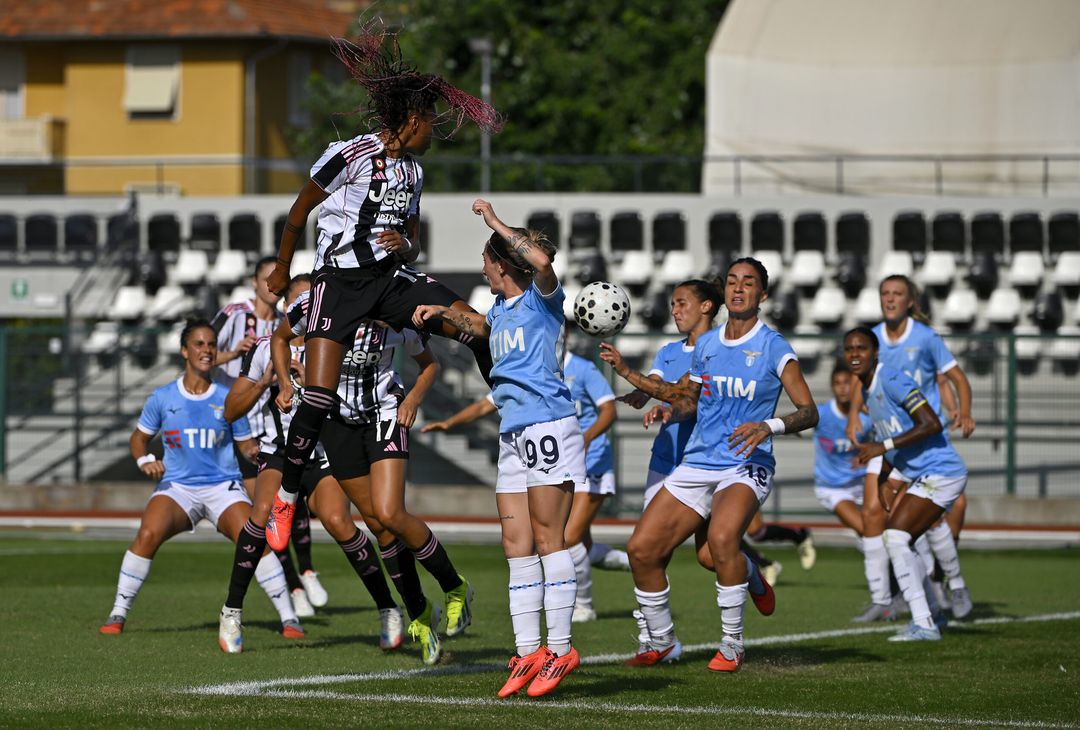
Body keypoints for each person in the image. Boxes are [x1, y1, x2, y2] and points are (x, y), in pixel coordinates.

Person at [264, 24, 502, 547]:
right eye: (430, 125)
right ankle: (286, 496)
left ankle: (508, 403)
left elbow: (411, 240)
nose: (432, 134)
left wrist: (407, 247)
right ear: (412, 120)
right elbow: (300, 207)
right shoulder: (350, 155)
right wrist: (283, 267)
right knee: (320, 396)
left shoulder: (413, 173)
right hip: (339, 285)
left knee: (477, 326)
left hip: (390, 281)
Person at [600, 259, 818, 673]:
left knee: (721, 540)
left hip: (746, 462)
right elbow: (687, 400)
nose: (738, 289)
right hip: (699, 462)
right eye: (733, 281)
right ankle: (663, 641)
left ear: (763, 295)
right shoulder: (707, 346)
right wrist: (638, 382)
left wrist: (768, 426)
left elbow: (809, 412)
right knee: (642, 551)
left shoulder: (774, 348)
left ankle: (732, 646)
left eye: (748, 283)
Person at [413, 199, 583, 698]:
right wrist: (441, 312)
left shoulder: (542, 299)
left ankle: (562, 648)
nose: (483, 269)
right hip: (514, 432)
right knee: (516, 546)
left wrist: (496, 225)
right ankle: (528, 651)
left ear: (503, 261)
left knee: (550, 539)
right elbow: (482, 330)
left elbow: (545, 264)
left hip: (548, 425)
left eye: (487, 261)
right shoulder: (502, 309)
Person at [279, 280, 470, 664]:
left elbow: (429, 364)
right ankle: (418, 618)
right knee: (379, 528)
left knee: (390, 514)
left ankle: (454, 586)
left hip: (384, 413)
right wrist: (285, 381)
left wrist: (413, 398)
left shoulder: (395, 306)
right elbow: (279, 337)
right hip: (337, 423)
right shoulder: (317, 304)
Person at [218, 276, 408, 655]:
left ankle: (388, 608)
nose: (312, 307)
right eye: (301, 300)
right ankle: (231, 611)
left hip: (324, 454)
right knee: (260, 519)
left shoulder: (344, 344)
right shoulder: (265, 349)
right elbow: (230, 409)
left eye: (315, 298)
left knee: (340, 522)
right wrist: (270, 382)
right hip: (280, 453)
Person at [99, 319, 301, 639]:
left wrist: (257, 454)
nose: (207, 350)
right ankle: (118, 613)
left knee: (254, 540)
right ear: (184, 351)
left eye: (211, 344)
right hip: (178, 487)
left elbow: (246, 445)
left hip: (223, 486)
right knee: (148, 532)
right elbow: (138, 438)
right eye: (199, 344)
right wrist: (145, 460)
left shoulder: (228, 396)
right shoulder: (163, 397)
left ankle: (290, 620)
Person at [422, 327, 629, 624]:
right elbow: (487, 403)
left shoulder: (582, 369)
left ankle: (583, 604)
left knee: (567, 537)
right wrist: (450, 423)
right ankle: (626, 560)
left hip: (591, 462)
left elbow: (608, 410)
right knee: (573, 538)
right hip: (554, 460)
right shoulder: (529, 369)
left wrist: (586, 438)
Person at [847, 275, 974, 620]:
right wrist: (852, 419)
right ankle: (888, 596)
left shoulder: (926, 338)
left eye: (897, 294)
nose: (890, 299)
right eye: (884, 293)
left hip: (920, 438)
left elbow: (955, 378)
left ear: (910, 301)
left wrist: (963, 411)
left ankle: (951, 586)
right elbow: (864, 384)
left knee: (924, 523)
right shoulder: (870, 339)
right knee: (876, 513)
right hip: (888, 444)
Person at [211, 255, 324, 612]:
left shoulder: (286, 320)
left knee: (291, 503)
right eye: (267, 279)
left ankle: (303, 574)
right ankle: (290, 586)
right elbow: (202, 351)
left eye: (278, 279)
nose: (272, 285)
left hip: (275, 417)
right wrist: (233, 354)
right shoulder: (235, 313)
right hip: (242, 415)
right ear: (255, 283)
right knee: (263, 513)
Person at [810, 361, 893, 621]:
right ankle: (885, 596)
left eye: (847, 383)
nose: (843, 389)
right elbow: (799, 421)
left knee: (887, 536)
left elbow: (885, 442)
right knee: (867, 529)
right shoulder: (822, 414)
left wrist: (869, 454)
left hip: (863, 483)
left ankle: (893, 592)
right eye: (837, 383)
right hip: (833, 489)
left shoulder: (867, 416)